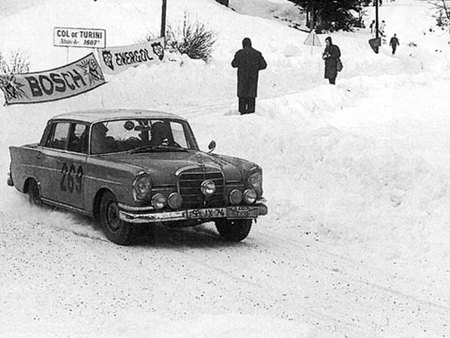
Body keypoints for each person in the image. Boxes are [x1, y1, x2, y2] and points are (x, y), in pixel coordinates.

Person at [231, 37, 267, 114]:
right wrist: (256, 68)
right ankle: (250, 116)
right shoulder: (257, 53)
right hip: (252, 79)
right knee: (251, 98)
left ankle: (242, 115)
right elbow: (264, 65)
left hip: (242, 80)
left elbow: (234, 64)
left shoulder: (239, 53)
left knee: (242, 98)